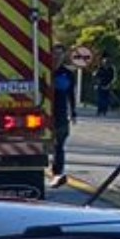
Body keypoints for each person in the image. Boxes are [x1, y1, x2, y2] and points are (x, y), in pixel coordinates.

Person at [50, 58, 78, 188]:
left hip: (60, 112)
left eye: (60, 53)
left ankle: (57, 173)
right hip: (43, 110)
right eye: (55, 53)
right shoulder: (43, 69)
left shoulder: (67, 74)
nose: (57, 56)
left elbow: (70, 94)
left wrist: (73, 112)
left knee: (59, 143)